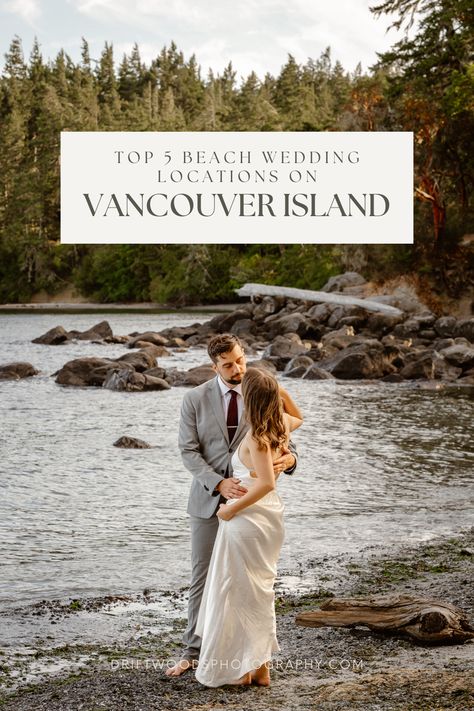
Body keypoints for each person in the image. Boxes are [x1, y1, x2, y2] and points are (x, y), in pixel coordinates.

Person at [166, 333, 297, 677]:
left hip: (252, 509)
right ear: (214, 366)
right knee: (203, 577)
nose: (237, 368)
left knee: (247, 580)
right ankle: (193, 651)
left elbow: (285, 440)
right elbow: (188, 452)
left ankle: (250, 658)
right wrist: (218, 482)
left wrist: (291, 461)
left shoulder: (260, 391)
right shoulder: (194, 399)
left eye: (240, 360)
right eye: (228, 364)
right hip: (208, 502)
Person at [195, 366, 303, 687]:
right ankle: (261, 668)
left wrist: (230, 509)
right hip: (269, 517)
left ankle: (245, 669)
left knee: (241, 591)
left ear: (250, 398)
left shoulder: (258, 435)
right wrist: (278, 390)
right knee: (258, 590)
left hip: (250, 515)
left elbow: (266, 483)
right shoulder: (279, 425)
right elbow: (299, 416)